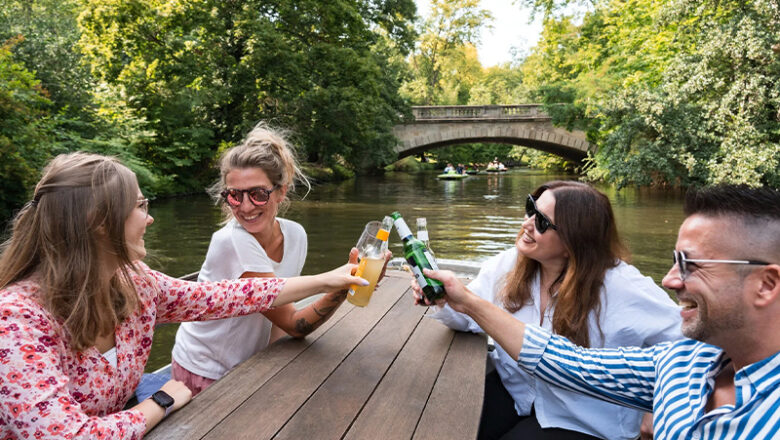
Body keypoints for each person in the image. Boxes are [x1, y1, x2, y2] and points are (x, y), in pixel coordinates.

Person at [0, 152, 367, 439]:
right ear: (100, 222)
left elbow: (231, 296)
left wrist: (328, 280)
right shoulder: (17, 320)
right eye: (141, 206)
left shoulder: (134, 283)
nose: (150, 218)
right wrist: (160, 401)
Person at [422, 184, 780, 440]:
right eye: (531, 208)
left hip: (582, 421)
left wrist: (649, 411)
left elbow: (678, 329)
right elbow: (567, 363)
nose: (669, 281)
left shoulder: (626, 290)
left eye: (690, 264)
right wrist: (460, 301)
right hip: (525, 398)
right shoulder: (677, 366)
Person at [171, 123, 389, 395]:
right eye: (234, 196)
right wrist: (341, 285)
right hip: (206, 372)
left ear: (281, 192)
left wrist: (275, 371)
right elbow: (293, 323)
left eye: (258, 194)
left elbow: (282, 323)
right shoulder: (232, 242)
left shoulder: (295, 235)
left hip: (246, 363)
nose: (246, 207)